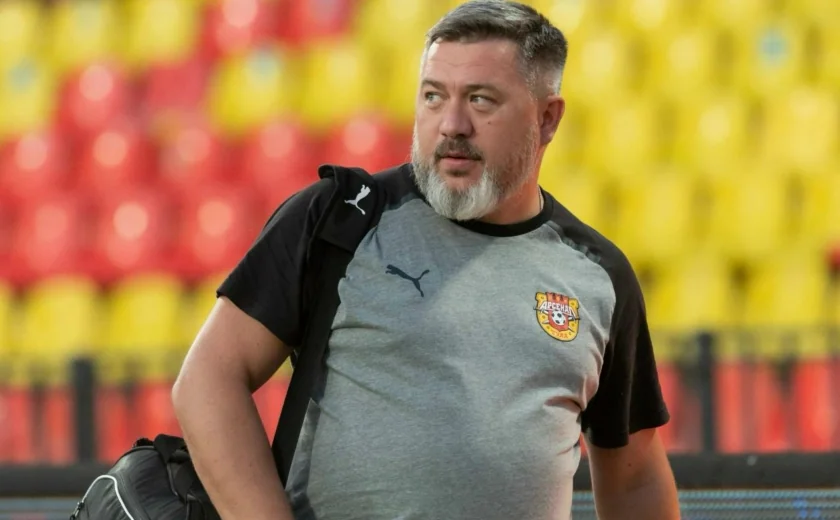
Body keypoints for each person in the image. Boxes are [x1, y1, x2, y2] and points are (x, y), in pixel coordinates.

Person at [171, 1, 681, 519]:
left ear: (547, 118)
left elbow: (635, 478)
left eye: (480, 100)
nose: (452, 124)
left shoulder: (598, 275)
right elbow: (208, 379)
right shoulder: (340, 219)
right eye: (434, 96)